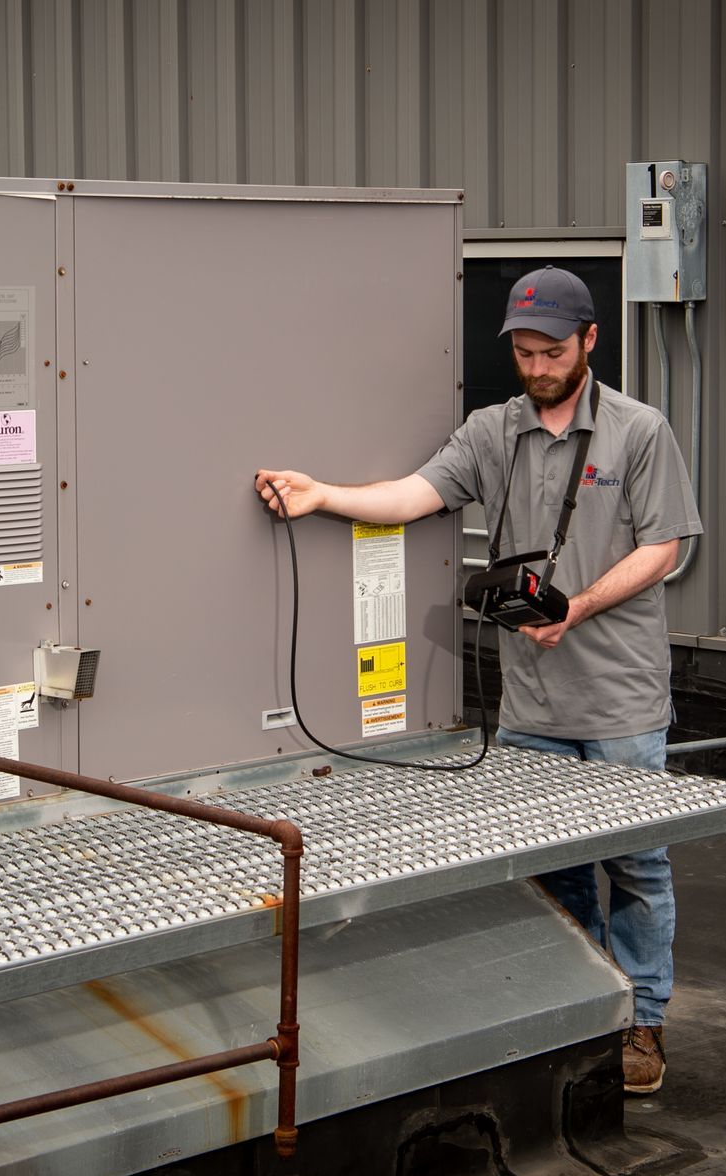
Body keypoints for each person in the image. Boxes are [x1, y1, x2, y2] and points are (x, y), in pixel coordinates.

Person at [253, 266, 701, 1093]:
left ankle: (642, 1019)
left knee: (637, 861)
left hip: (622, 695)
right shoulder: (493, 431)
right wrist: (322, 495)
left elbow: (663, 546)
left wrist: (578, 607)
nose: (537, 367)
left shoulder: (639, 431)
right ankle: (588, 1011)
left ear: (590, 341)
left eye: (553, 352)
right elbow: (413, 495)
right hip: (531, 701)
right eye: (524, 353)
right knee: (554, 867)